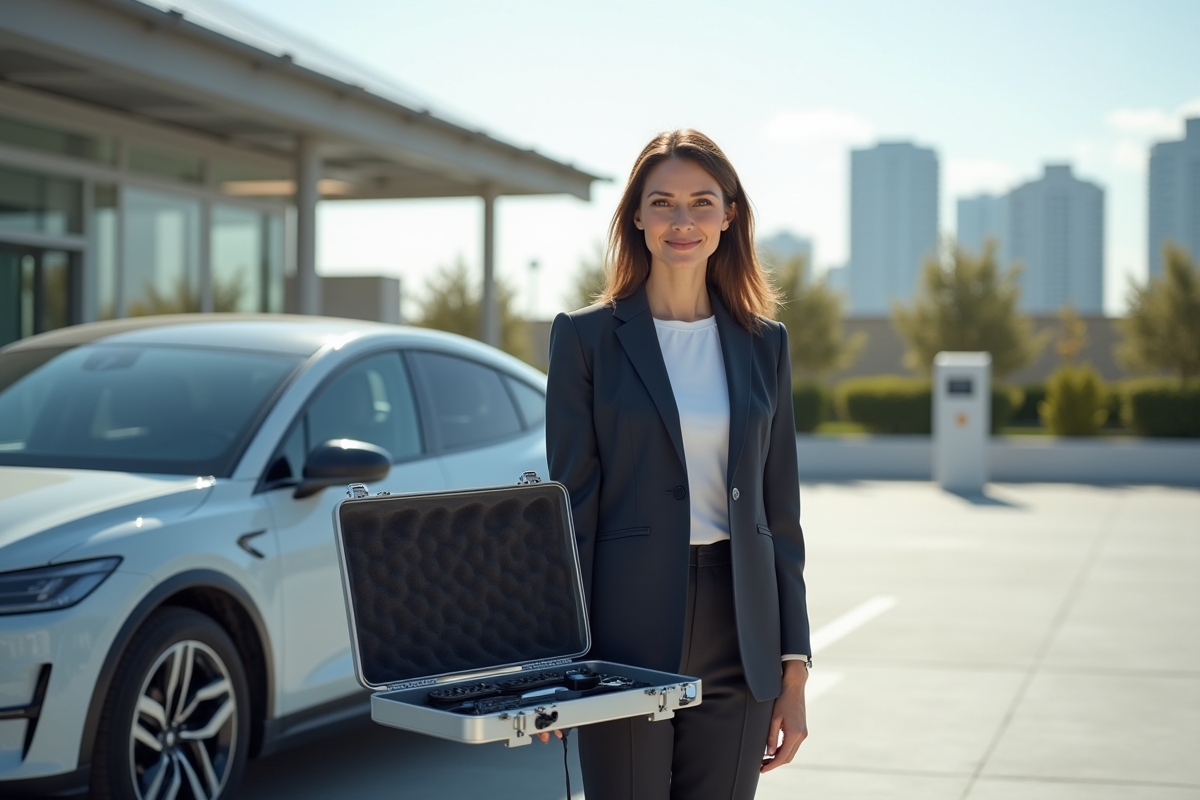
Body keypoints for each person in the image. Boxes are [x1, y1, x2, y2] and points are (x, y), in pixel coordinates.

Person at [543, 129, 811, 800]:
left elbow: (781, 516)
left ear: (730, 215)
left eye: (701, 202)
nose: (682, 221)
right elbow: (570, 507)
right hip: (623, 630)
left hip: (741, 628)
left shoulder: (765, 344)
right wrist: (552, 653)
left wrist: (795, 672)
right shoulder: (585, 339)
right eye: (662, 203)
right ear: (636, 216)